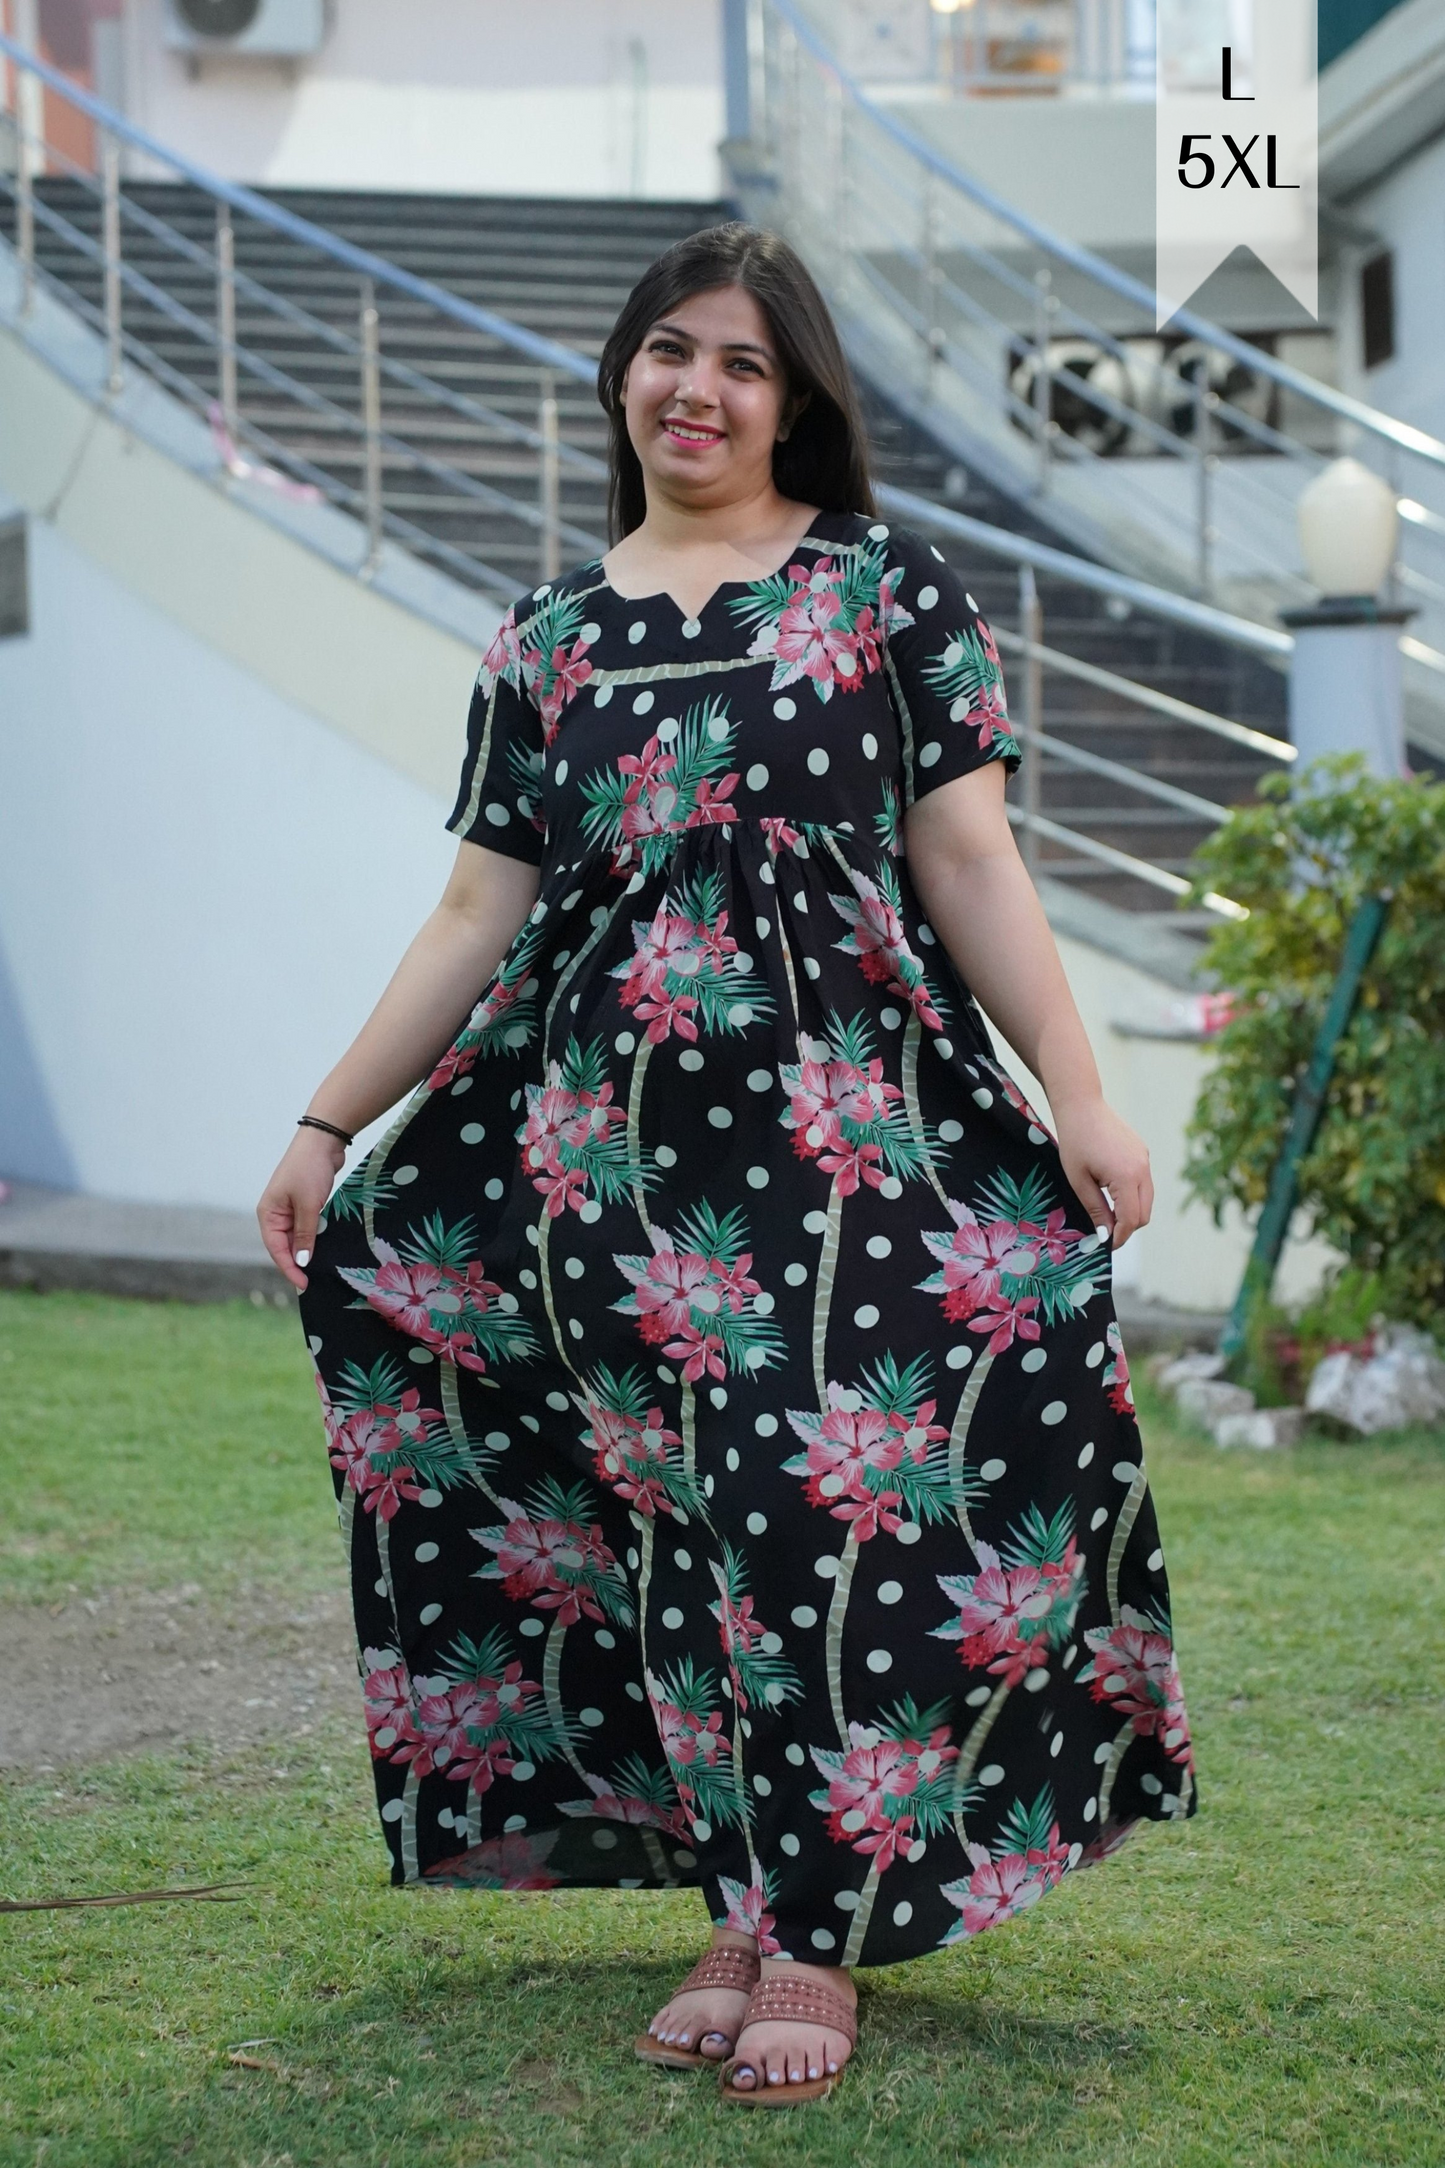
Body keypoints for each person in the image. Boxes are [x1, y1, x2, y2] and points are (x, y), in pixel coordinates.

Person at [257, 221, 1196, 2108]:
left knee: (813, 1506)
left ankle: (819, 1934)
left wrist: (1080, 1090)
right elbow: (474, 911)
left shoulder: (886, 593)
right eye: (671, 350)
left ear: (799, 404)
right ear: (622, 373)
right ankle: (749, 1899)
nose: (700, 387)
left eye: (745, 364)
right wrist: (326, 1121)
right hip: (601, 1163)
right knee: (676, 1530)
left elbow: (970, 861)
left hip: (855, 1141)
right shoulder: (545, 636)